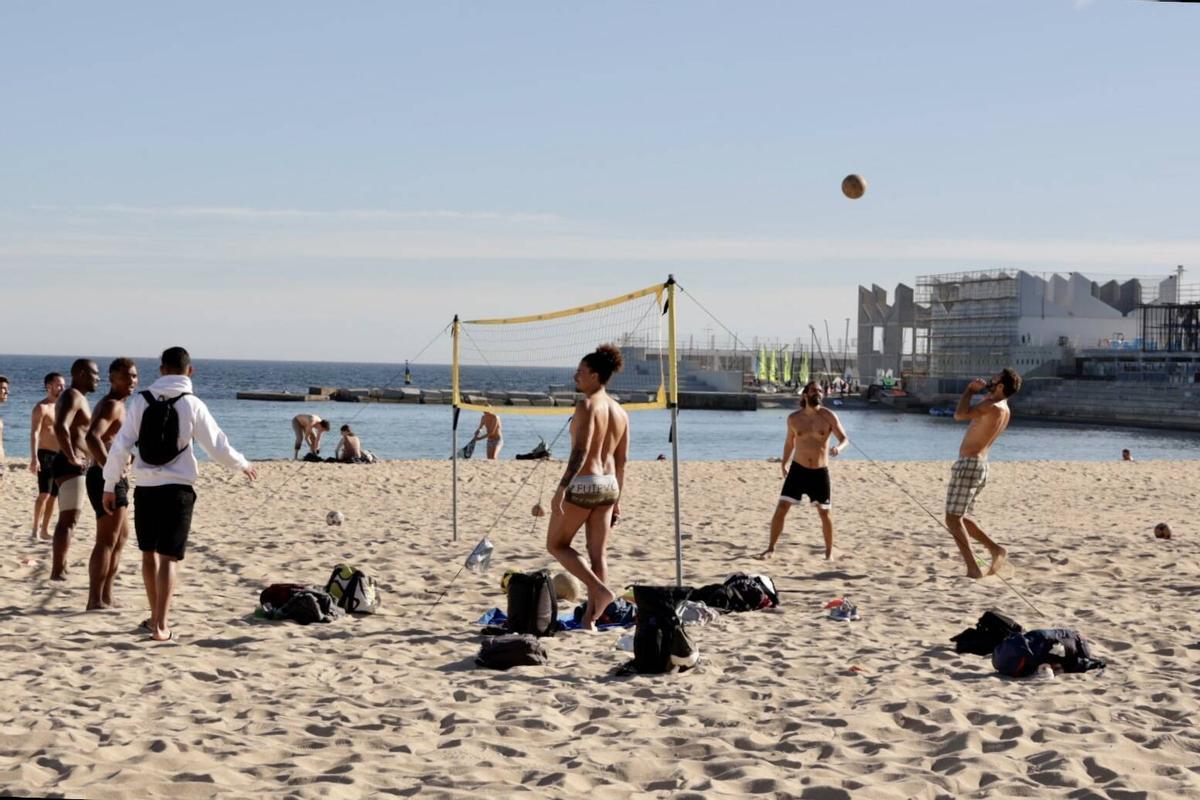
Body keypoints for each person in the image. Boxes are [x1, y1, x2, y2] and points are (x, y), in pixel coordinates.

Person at [103, 347, 257, 642]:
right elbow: (216, 445)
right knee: (169, 558)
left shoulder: (141, 400)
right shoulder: (191, 403)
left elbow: (121, 445)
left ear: (161, 370)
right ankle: (161, 625)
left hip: (146, 488)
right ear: (190, 370)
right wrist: (242, 464)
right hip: (178, 490)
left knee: (148, 554)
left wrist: (110, 484)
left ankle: (153, 617)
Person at [546, 344, 629, 630]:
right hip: (609, 485)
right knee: (598, 555)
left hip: (585, 482)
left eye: (580, 371)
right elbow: (622, 461)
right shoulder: (620, 412)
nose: (575, 376)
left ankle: (600, 591)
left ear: (595, 375)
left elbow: (580, 452)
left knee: (556, 544)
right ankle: (590, 621)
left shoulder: (587, 404)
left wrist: (560, 488)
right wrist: (617, 501)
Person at [945, 368, 1022, 579]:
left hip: (969, 464)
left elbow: (959, 414)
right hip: (980, 465)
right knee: (961, 518)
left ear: (1000, 386)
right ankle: (996, 550)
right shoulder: (1004, 408)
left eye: (995, 378)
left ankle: (973, 567)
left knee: (952, 520)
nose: (991, 379)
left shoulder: (990, 406)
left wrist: (969, 391)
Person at [760, 381, 849, 560]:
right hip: (798, 470)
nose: (818, 393)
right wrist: (783, 463)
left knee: (824, 512)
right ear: (805, 394)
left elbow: (844, 438)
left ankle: (829, 553)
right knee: (782, 507)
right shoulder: (794, 418)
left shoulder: (828, 416)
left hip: (820, 471)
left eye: (820, 391)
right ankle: (770, 548)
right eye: (814, 390)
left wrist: (838, 448)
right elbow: (789, 443)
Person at [84, 358, 138, 610]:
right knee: (106, 540)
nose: (132, 381)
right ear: (112, 379)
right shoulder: (112, 405)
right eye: (126, 377)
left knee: (120, 537)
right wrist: (110, 469)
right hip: (105, 478)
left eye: (135, 376)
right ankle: (94, 599)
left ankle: (106, 595)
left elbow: (114, 440)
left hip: (115, 478)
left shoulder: (121, 406)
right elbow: (91, 437)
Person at [50, 359, 100, 581]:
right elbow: (60, 426)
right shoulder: (72, 396)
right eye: (94, 373)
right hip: (69, 465)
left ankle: (62, 565)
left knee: (70, 519)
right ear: (80, 373)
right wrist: (72, 456)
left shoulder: (78, 398)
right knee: (68, 520)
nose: (98, 378)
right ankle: (58, 569)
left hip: (74, 465)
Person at [29, 372, 66, 540]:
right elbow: (35, 433)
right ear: (49, 386)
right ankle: (35, 529)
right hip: (44, 455)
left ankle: (45, 530)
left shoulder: (62, 407)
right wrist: (34, 458)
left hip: (60, 456)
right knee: (44, 494)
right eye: (59, 385)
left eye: (63, 385)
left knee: (54, 496)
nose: (62, 388)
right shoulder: (41, 408)